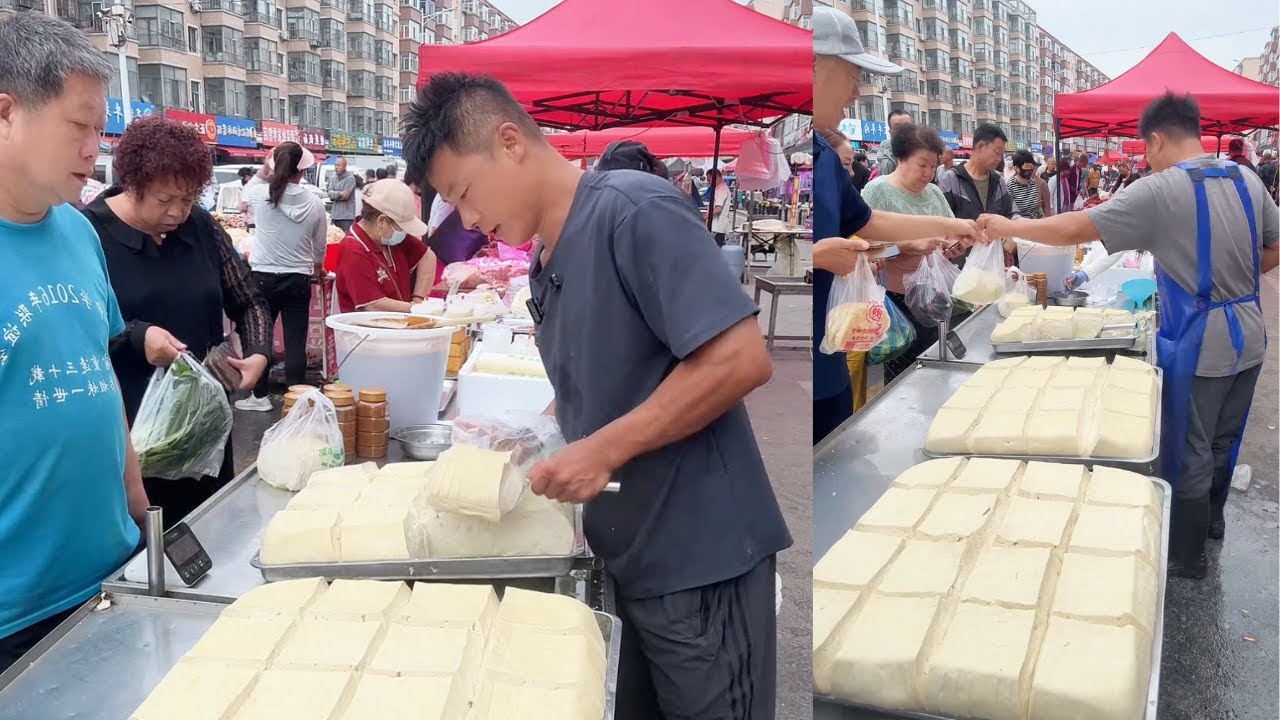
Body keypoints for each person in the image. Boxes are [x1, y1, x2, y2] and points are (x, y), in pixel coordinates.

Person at [403, 71, 791, 719]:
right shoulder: (545, 256)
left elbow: (738, 358)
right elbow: (607, 370)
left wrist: (602, 450)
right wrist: (533, 435)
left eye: (463, 192)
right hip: (629, 556)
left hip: (699, 560)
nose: (468, 220)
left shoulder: (633, 211)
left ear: (511, 142)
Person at [979, 92, 1280, 579]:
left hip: (1202, 340)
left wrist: (1009, 225)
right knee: (1226, 436)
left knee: (1191, 444)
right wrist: (1234, 281)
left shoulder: (1160, 189)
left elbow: (1076, 227)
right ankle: (1213, 525)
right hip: (1251, 330)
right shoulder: (1245, 176)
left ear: (1157, 139)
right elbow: (1274, 247)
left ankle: (1186, 558)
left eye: (1146, 149)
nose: (1147, 158)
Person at [0, 12, 148, 671]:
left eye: (100, 127)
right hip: (15, 615)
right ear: (7, 113)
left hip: (111, 576)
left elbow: (100, 374)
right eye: (79, 125)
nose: (96, 148)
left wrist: (141, 509)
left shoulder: (77, 231)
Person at [83, 115, 272, 522]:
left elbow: (249, 298)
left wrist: (258, 354)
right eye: (164, 200)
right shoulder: (88, 233)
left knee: (212, 526)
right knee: (147, 538)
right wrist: (137, 336)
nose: (177, 212)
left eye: (187, 200)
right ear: (133, 184)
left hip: (205, 420)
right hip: (135, 428)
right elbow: (79, 326)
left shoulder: (200, 227)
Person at [811, 6, 983, 441]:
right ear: (814, 65)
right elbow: (864, 238)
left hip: (830, 348)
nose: (853, 94)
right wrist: (818, 255)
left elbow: (868, 223)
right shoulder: (802, 151)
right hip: (834, 332)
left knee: (837, 440)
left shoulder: (827, 160)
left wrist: (954, 230)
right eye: (851, 78)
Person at [861, 123, 970, 383]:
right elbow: (862, 251)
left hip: (934, 295)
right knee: (903, 376)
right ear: (901, 158)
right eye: (922, 165)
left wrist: (954, 246)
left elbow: (949, 232)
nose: (928, 173)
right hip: (897, 300)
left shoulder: (933, 193)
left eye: (933, 166)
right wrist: (904, 246)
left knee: (934, 365)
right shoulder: (878, 191)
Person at [235, 141, 327, 412]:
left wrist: (267, 167)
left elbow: (242, 199)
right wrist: (319, 268)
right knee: (296, 341)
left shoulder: (260, 194)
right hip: (298, 279)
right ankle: (295, 401)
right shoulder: (315, 203)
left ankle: (260, 397)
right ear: (303, 171)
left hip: (262, 277)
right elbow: (319, 246)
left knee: (260, 336)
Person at [335, 180, 437, 313]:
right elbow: (373, 305)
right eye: (401, 227)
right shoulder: (353, 250)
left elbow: (428, 256)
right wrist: (418, 310)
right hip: (366, 331)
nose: (403, 232)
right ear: (382, 221)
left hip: (396, 327)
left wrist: (418, 299)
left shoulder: (389, 238)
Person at [938, 122, 1016, 264]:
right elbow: (942, 223)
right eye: (997, 152)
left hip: (993, 262)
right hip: (962, 265)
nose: (999, 159)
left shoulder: (999, 182)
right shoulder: (952, 179)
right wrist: (951, 241)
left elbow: (1011, 215)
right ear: (980, 146)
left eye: (1002, 154)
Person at [1008, 149, 1052, 219]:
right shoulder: (1010, 186)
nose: (1029, 170)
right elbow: (1009, 213)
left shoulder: (1033, 182)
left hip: (1036, 226)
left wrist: (1044, 221)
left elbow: (1038, 209)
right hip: (1019, 227)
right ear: (1017, 168)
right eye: (1026, 167)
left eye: (1031, 167)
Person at [876, 108, 912, 176]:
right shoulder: (887, 161)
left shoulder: (924, 149)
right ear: (890, 132)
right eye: (898, 127)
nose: (904, 130)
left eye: (907, 126)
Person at [327, 156, 358, 232]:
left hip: (346, 216)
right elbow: (329, 193)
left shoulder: (350, 178)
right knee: (335, 237)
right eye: (335, 165)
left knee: (346, 238)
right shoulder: (332, 177)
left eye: (339, 165)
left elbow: (345, 196)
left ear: (344, 166)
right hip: (335, 215)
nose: (336, 167)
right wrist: (340, 193)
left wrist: (334, 194)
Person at [706, 167, 734, 246]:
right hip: (717, 227)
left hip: (717, 227)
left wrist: (706, 216)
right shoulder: (718, 189)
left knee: (715, 250)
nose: (709, 183)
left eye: (709, 180)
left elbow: (718, 209)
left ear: (716, 177)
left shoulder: (721, 190)